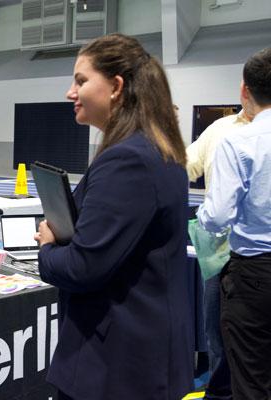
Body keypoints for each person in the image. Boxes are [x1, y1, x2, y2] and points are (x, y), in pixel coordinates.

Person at [34, 34, 193, 399]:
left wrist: (47, 248)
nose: (69, 92)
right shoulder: (157, 148)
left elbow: (82, 267)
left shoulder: (127, 159)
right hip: (141, 356)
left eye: (80, 80)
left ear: (116, 86)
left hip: (117, 365)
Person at [197, 47, 271, 400]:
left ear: (245, 90)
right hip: (250, 273)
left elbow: (216, 216)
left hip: (253, 274)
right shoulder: (221, 131)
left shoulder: (239, 142)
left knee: (249, 377)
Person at [186, 97, 252, 400]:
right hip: (219, 257)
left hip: (259, 257)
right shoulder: (219, 129)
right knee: (217, 335)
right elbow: (185, 165)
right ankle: (219, 392)